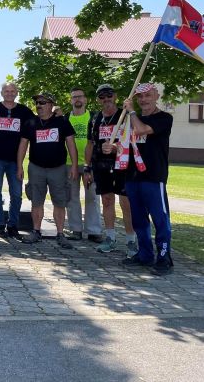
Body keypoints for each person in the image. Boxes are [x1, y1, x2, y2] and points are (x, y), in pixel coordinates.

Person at [105, 83, 174, 275]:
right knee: (139, 220)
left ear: (156, 96)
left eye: (147, 96)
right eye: (140, 97)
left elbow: (142, 130)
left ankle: (164, 258)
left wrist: (131, 113)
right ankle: (145, 255)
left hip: (153, 176)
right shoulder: (130, 121)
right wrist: (112, 148)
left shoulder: (164, 118)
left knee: (160, 219)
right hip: (132, 176)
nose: (143, 100)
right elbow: (125, 146)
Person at [17, 91, 78, 249]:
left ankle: (60, 234)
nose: (39, 106)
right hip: (36, 168)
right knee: (36, 202)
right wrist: (19, 166)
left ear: (51, 105)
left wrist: (75, 166)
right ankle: (36, 231)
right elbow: (23, 145)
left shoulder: (62, 122)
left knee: (59, 202)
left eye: (43, 103)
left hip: (58, 169)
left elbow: (71, 143)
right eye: (37, 103)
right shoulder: (30, 123)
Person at [85, 84, 138, 255]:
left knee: (126, 203)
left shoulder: (125, 116)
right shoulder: (95, 119)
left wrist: (115, 147)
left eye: (109, 95)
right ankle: (110, 238)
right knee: (107, 200)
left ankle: (131, 240)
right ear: (97, 100)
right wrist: (87, 167)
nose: (106, 99)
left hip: (123, 165)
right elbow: (90, 144)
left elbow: (133, 140)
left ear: (115, 96)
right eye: (101, 96)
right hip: (101, 165)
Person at [0, 82, 34, 239]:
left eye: (12, 91)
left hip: (15, 160)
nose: (9, 93)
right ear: (1, 92)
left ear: (17, 92)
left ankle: (13, 225)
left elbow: (40, 121)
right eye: (6, 91)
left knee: (16, 194)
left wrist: (56, 112)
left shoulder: (24, 111)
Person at [64, 87, 102, 242]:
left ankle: (93, 230)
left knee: (92, 197)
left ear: (86, 99)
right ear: (70, 100)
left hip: (90, 164)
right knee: (71, 197)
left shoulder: (94, 117)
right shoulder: (66, 118)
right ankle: (75, 230)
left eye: (80, 96)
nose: (77, 99)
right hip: (69, 163)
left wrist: (93, 163)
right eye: (74, 97)